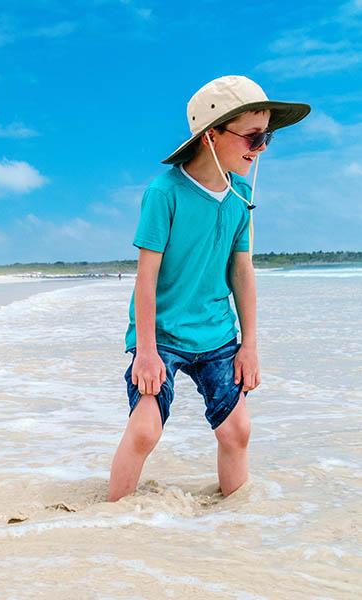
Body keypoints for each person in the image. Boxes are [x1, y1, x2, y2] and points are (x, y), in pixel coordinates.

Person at [107, 76, 310, 501]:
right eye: (253, 137)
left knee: (237, 429)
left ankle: (234, 523)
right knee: (146, 430)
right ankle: (112, 516)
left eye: (267, 136)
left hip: (217, 332)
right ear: (211, 135)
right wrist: (145, 351)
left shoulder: (243, 193)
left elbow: (242, 270)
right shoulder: (165, 192)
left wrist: (250, 344)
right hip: (161, 334)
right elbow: (146, 278)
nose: (262, 148)